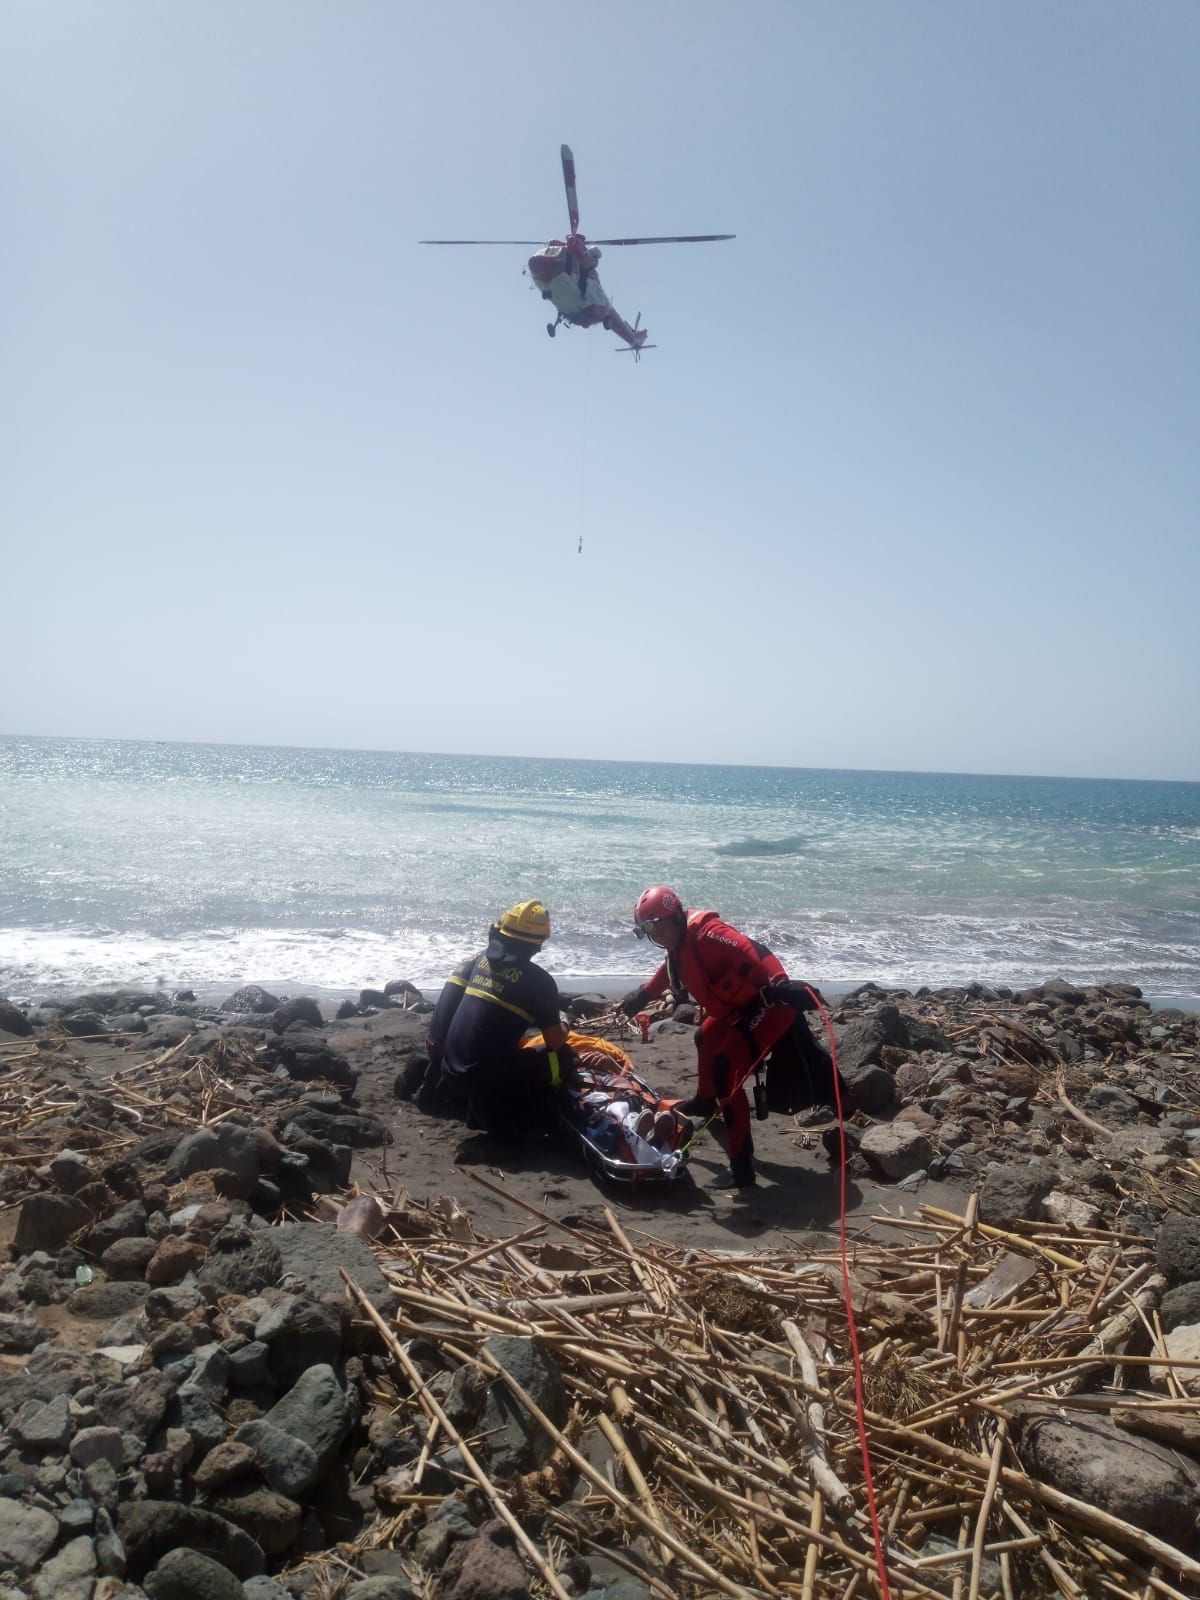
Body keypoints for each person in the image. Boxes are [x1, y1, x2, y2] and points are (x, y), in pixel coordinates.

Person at [617, 886, 837, 1192]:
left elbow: (756, 951)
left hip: (767, 1007)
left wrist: (780, 984)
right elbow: (670, 972)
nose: (657, 936)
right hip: (737, 1009)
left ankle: (742, 1169)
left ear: (675, 916)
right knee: (704, 1038)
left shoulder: (709, 934)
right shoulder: (678, 944)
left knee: (725, 1069)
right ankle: (705, 1102)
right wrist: (642, 996)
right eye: (648, 931)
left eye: (658, 927)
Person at [422, 900, 576, 1141]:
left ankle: (478, 1108)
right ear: (540, 942)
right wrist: (565, 1022)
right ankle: (518, 1117)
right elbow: (555, 1041)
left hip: (449, 1071)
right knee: (564, 1057)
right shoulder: (540, 981)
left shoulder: (480, 961)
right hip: (483, 1082)